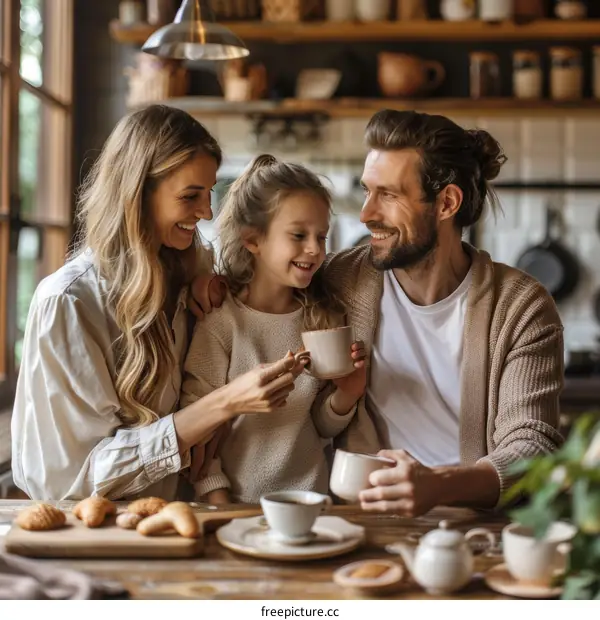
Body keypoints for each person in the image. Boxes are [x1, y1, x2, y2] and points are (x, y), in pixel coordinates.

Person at [10, 105, 300, 501]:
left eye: (209, 192)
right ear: (137, 193)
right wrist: (223, 404)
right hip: (101, 538)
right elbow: (71, 481)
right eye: (190, 196)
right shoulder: (67, 303)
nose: (206, 212)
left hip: (181, 521)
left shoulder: (188, 277)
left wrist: (213, 283)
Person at [314, 109, 565, 516]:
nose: (366, 214)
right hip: (361, 522)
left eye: (389, 195)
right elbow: (259, 284)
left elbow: (532, 446)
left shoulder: (521, 307)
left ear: (446, 202)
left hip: (476, 529)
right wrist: (209, 281)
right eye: (366, 191)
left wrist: (437, 486)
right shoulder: (341, 281)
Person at [180, 154, 367, 504]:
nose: (314, 249)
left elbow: (321, 429)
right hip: (233, 510)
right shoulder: (222, 322)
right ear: (253, 240)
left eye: (322, 237)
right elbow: (200, 432)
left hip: (311, 508)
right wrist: (220, 505)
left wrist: (346, 395)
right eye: (298, 235)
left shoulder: (322, 321)